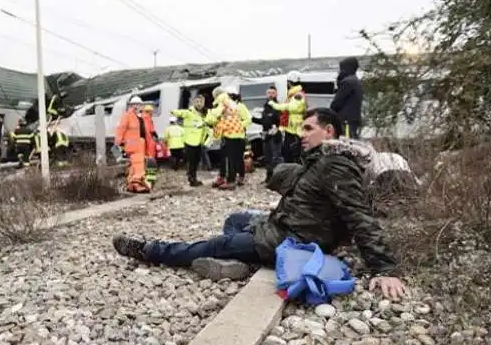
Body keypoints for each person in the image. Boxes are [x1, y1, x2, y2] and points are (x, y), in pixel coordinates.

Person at [112, 107, 407, 300]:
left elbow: (359, 216)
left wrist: (385, 269)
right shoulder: (321, 160)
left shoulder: (335, 165)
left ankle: (152, 251)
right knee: (236, 219)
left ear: (328, 132)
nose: (301, 134)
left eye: (307, 129)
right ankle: (236, 257)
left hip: (289, 239)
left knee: (215, 243)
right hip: (281, 225)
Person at [206, 87, 252, 189]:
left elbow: (248, 119)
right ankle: (224, 177)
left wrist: (238, 125)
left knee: (231, 158)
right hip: (231, 133)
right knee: (226, 158)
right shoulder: (232, 104)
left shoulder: (228, 104)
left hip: (232, 134)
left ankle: (232, 179)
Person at [115, 96, 155, 193]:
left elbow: (147, 132)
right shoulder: (127, 116)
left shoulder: (144, 117)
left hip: (143, 145)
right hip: (133, 146)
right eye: (134, 104)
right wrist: (117, 146)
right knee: (138, 167)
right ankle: (136, 186)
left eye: (138, 104)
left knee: (140, 167)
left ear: (141, 106)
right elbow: (120, 130)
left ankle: (135, 185)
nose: (136, 106)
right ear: (130, 106)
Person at [171, 95, 207, 186]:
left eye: (201, 102)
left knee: (196, 161)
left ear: (203, 103)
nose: (199, 104)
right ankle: (192, 179)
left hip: (199, 142)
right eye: (197, 101)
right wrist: (173, 112)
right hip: (189, 142)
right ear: (194, 102)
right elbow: (181, 113)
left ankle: (193, 177)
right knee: (192, 161)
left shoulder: (204, 114)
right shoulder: (189, 112)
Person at [252, 85, 282, 183]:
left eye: (273, 93)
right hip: (266, 136)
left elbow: (279, 121)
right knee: (267, 157)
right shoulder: (266, 106)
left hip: (275, 135)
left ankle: (277, 179)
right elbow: (264, 121)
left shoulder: (278, 106)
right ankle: (269, 178)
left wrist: (275, 126)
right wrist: (252, 119)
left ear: (276, 94)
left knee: (275, 158)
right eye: (269, 93)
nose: (270, 95)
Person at [271, 84, 306, 164]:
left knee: (292, 152)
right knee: (287, 151)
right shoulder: (294, 96)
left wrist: (274, 105)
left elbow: (289, 108)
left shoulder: (297, 96)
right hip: (290, 129)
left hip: (294, 130)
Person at [330, 57, 364, 139]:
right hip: (353, 120)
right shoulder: (356, 81)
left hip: (345, 121)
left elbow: (336, 103)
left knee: (345, 144)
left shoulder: (347, 82)